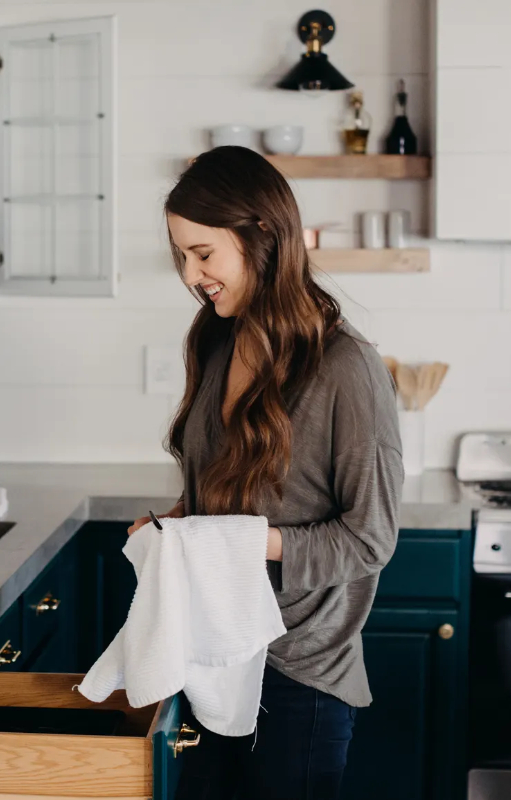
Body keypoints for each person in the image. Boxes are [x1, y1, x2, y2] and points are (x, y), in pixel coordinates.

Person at [127, 146, 404, 800]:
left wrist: (237, 542)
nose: (192, 276)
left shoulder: (346, 368)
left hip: (298, 673)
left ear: (262, 237)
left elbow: (370, 542)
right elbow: (223, 487)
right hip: (211, 653)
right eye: (181, 256)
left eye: (203, 254)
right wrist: (176, 526)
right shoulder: (215, 339)